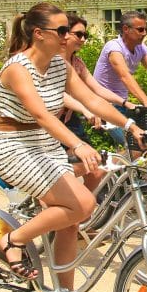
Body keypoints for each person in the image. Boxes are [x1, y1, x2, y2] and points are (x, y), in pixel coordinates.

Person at [0, 3, 144, 292]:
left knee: (71, 218)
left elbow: (92, 100)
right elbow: (41, 114)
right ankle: (11, 241)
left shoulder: (59, 67)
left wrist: (129, 125)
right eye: (61, 31)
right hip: (15, 148)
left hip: (45, 147)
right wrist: (77, 143)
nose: (68, 36)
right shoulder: (17, 68)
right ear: (38, 33)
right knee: (83, 203)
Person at [58, 14, 139, 193]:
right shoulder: (52, 63)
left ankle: (81, 212)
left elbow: (97, 90)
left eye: (86, 35)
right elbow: (58, 93)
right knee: (61, 177)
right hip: (50, 124)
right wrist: (86, 110)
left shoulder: (76, 63)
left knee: (94, 169)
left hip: (70, 122)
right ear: (64, 34)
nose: (83, 39)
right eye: (78, 34)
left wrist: (125, 103)